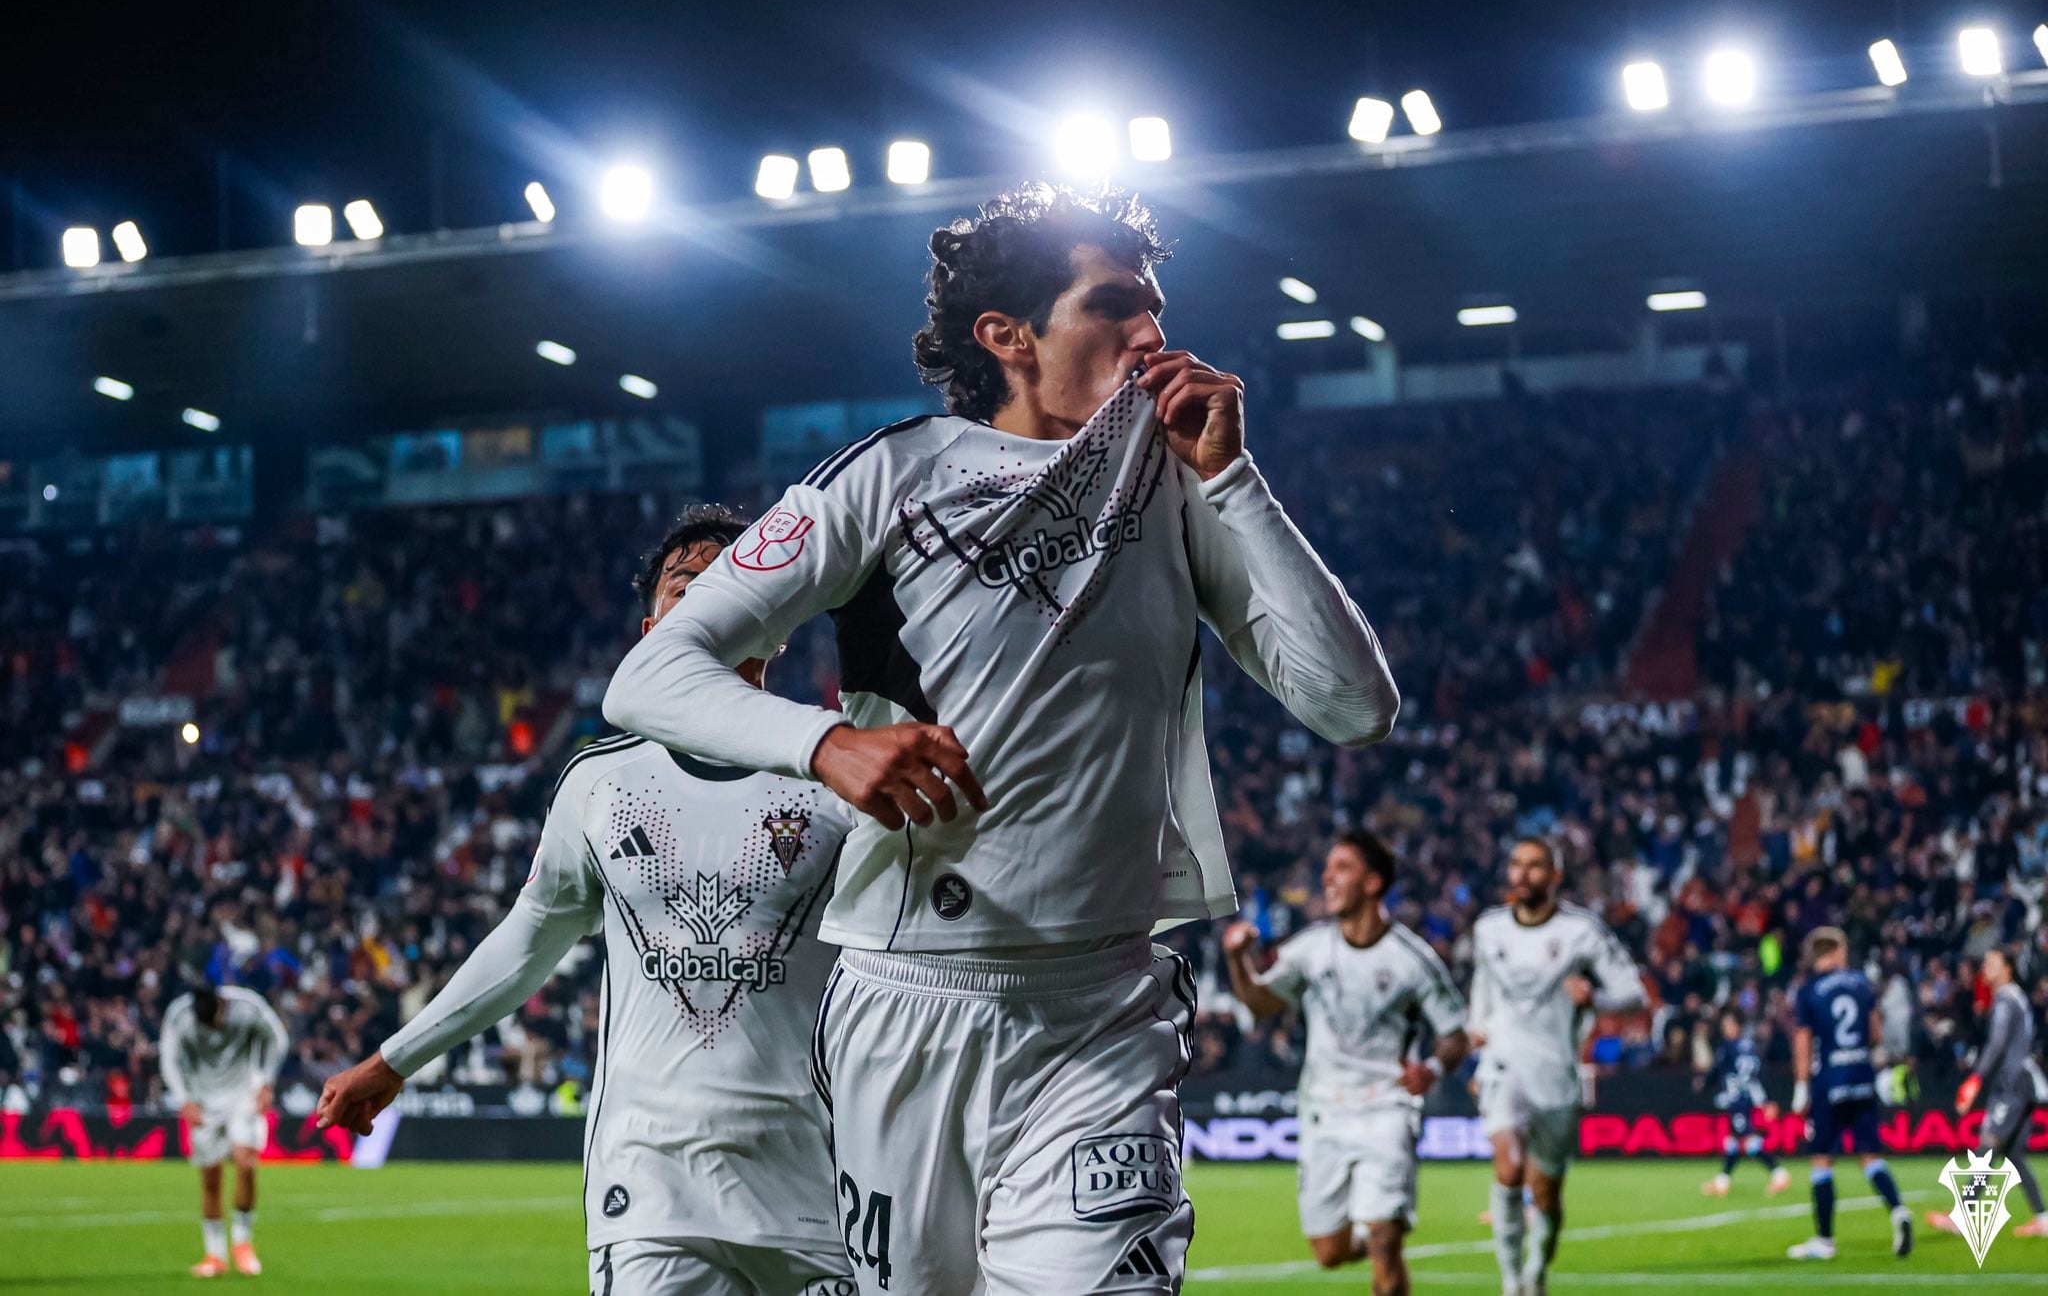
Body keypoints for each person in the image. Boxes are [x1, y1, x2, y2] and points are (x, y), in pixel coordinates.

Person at [602, 184, 1399, 1293]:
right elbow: (652, 674)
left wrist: (1235, 479)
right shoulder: (890, 476)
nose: (1151, 334)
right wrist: (823, 745)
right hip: (904, 1001)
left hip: (1104, 1005)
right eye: (1113, 305)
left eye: (1156, 307)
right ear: (1007, 336)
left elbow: (1355, 705)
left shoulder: (1175, 486)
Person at [317, 506, 857, 1295]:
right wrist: (395, 1059)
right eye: (684, 587)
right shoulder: (601, 783)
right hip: (651, 1188)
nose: (706, 597)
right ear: (650, 632)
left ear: (774, 623)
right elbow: (527, 939)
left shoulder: (841, 774)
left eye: (731, 582)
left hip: (815, 1177)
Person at [1221, 830, 1468, 1295]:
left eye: (1341, 868)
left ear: (1373, 883)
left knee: (1383, 1236)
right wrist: (1238, 961)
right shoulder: (1310, 950)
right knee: (1329, 1252)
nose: (1327, 877)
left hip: (1388, 1108)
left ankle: (1384, 1239)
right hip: (1324, 1110)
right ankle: (1375, 1240)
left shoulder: (1413, 959)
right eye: (1328, 867)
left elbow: (1455, 1036)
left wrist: (1431, 1070)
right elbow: (1259, 1004)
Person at [1467, 837, 1645, 1296]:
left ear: (1555, 876)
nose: (1523, 874)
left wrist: (1596, 998)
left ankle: (1536, 1272)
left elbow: (1634, 993)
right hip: (1502, 1066)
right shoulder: (1488, 929)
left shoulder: (1581, 932)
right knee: (1507, 1170)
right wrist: (1476, 1037)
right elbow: (1482, 989)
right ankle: (1510, 1284)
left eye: (1535, 866)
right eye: (1516, 864)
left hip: (1555, 1074)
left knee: (1545, 1191)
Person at [1786, 926, 1913, 1261]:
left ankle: (1824, 1241)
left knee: (1822, 1160)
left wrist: (1800, 1087)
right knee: (1870, 1156)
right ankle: (1899, 1211)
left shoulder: (1809, 990)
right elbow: (1875, 1032)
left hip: (1829, 1080)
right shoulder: (1860, 984)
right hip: (1862, 1076)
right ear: (1834, 951)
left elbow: (1803, 1041)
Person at [159, 982, 290, 1278]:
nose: (213, 1030)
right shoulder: (179, 1017)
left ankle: (243, 1245)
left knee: (246, 1162)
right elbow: (168, 1060)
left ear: (223, 1005)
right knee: (210, 1177)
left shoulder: (248, 1006)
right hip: (203, 1099)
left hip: (244, 1092)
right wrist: (184, 1100)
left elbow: (277, 1038)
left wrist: (267, 1081)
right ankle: (215, 1255)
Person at [1929, 946, 2048, 1239]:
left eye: (1992, 962)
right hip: (2025, 1081)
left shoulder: (2006, 998)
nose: (1986, 968)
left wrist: (1975, 1079)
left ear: (2007, 967)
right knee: (2012, 1155)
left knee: (1989, 1144)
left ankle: (1962, 1217)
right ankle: (2044, 1220)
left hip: (2013, 1084)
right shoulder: (2013, 996)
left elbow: (1997, 1043)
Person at [1701, 1008, 1790, 1197]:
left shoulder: (1726, 1048)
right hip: (1746, 1098)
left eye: (1729, 1024)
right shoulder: (1750, 1047)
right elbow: (1760, 1074)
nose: (1726, 1028)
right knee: (1733, 1142)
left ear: (1737, 1026)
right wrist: (1766, 1099)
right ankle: (1722, 1182)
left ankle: (1779, 1174)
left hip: (1738, 1099)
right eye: (1725, 1024)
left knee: (1749, 1141)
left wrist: (1704, 1084)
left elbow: (1717, 1071)